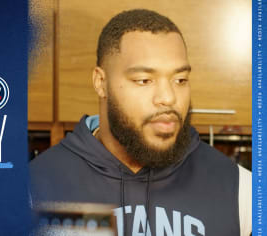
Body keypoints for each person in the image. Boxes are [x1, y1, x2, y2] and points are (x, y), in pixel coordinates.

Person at [30, 9, 251, 236]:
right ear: (101, 82)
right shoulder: (31, 191)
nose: (168, 98)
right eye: (144, 80)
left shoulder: (242, 192)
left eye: (180, 80)